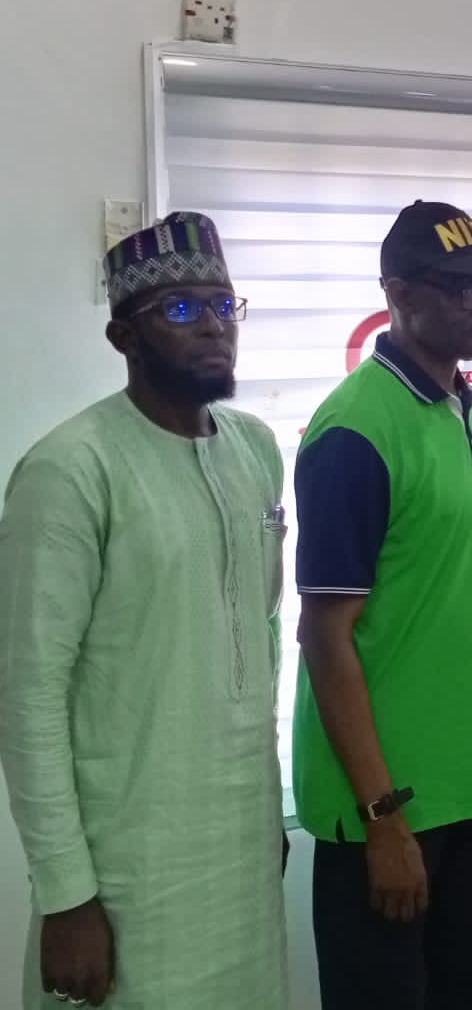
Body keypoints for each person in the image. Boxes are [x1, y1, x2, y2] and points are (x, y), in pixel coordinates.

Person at [0, 212, 288, 1009]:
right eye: (182, 309)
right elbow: (28, 697)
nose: (214, 327)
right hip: (129, 871)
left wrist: (266, 819)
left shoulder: (255, 449)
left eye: (224, 305)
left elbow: (259, 638)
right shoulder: (70, 471)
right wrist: (67, 896)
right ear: (122, 336)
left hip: (240, 855)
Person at [291, 201, 472, 1009]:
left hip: (470, 787)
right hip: (388, 808)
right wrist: (382, 816)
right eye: (460, 286)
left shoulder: (462, 405)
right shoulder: (355, 430)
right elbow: (325, 637)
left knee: (457, 993)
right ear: (396, 293)